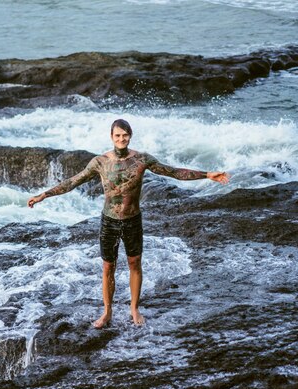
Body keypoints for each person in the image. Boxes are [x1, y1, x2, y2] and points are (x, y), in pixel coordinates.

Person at [28, 119, 230, 328]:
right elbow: (73, 181)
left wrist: (207, 175)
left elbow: (173, 172)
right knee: (108, 267)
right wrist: (44, 195)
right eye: (117, 135)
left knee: (135, 264)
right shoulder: (100, 162)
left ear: (130, 136)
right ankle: (107, 312)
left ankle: (134, 308)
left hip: (133, 220)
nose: (121, 139)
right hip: (109, 222)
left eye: (125, 135)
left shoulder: (142, 159)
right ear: (111, 137)